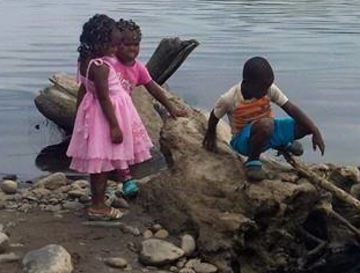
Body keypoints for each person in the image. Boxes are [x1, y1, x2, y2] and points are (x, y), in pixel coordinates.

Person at [65, 14, 152, 219]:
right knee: (102, 164)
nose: (116, 50)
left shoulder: (86, 61)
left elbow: (84, 89)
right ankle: (98, 205)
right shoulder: (101, 67)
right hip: (106, 116)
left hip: (93, 112)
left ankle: (98, 199)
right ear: (100, 43)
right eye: (113, 46)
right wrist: (114, 126)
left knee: (99, 162)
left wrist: (78, 113)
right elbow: (104, 98)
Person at [202, 56, 325, 181]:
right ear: (247, 83)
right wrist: (210, 134)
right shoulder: (229, 99)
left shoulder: (269, 89)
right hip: (245, 142)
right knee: (266, 125)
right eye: (263, 87)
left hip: (267, 131)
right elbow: (215, 115)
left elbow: (290, 108)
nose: (266, 90)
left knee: (304, 125)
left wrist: (315, 130)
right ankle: (253, 161)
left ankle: (281, 143)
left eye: (268, 86)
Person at [110, 18, 188, 196]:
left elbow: (153, 88)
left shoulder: (137, 68)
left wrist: (171, 108)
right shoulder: (110, 64)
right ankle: (109, 179)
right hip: (106, 112)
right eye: (127, 44)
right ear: (115, 45)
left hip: (123, 114)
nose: (133, 49)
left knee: (122, 146)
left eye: (136, 44)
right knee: (105, 148)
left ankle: (125, 177)